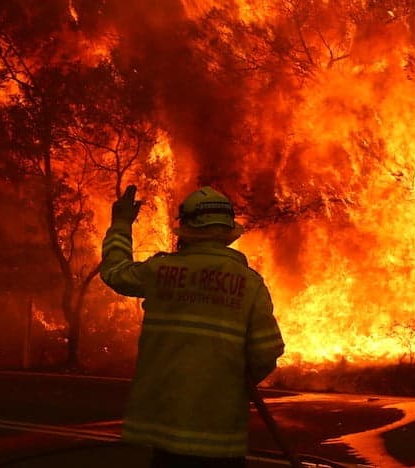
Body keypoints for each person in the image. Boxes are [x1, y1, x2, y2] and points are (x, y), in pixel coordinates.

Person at [100, 185, 285, 467]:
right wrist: (231, 384)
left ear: (186, 229)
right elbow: (266, 352)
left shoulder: (159, 271)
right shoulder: (250, 284)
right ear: (227, 233)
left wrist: (121, 224)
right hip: (220, 437)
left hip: (166, 428)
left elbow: (114, 272)